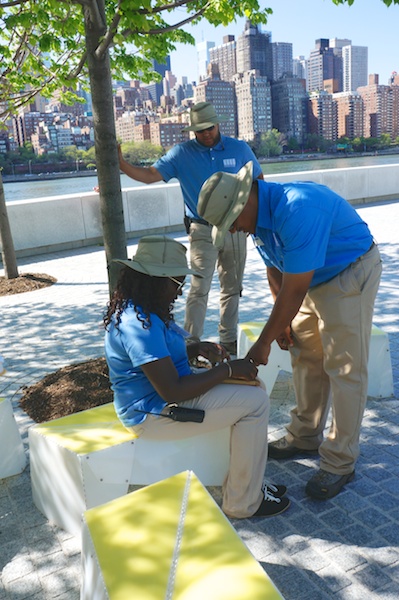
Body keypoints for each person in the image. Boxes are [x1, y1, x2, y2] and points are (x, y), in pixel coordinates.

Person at [197, 162, 382, 500]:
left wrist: (263, 343)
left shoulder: (297, 209)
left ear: (244, 203)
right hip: (310, 277)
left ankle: (340, 460)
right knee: (305, 355)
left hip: (348, 271)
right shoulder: (257, 220)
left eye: (232, 223)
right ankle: (305, 435)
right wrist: (282, 324)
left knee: (344, 367)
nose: (234, 230)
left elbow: (294, 289)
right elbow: (275, 268)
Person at [103, 234, 290, 519]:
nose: (179, 291)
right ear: (156, 280)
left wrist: (195, 349)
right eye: (177, 282)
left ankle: (248, 483)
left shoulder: (143, 310)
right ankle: (243, 501)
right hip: (155, 414)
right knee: (255, 402)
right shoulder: (137, 325)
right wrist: (226, 370)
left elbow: (158, 360)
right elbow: (172, 390)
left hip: (160, 403)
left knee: (255, 387)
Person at [117, 102, 264, 355]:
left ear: (218, 124)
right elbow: (150, 175)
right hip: (202, 230)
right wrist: (120, 163)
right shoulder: (181, 153)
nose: (206, 134)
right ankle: (191, 344)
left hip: (236, 228)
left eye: (209, 128)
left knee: (233, 287)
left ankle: (228, 340)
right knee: (199, 288)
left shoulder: (239, 149)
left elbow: (259, 183)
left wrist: (257, 223)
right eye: (199, 130)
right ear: (192, 131)